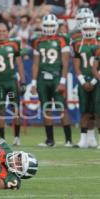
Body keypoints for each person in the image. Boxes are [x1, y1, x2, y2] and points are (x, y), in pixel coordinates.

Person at [30, 14, 72, 147]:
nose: (48, 28)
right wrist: (33, 82)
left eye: (51, 26)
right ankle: (50, 140)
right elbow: (36, 64)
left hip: (56, 77)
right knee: (46, 108)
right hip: (42, 78)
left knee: (61, 108)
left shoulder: (62, 39)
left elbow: (65, 63)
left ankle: (69, 140)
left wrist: (63, 81)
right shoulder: (38, 40)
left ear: (56, 27)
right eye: (46, 26)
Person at [0, 22, 26, 146]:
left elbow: (19, 63)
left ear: (7, 32)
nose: (2, 33)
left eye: (4, 31)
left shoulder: (14, 44)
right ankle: (2, 138)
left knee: (15, 109)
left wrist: (23, 81)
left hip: (12, 81)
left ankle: (17, 137)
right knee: (1, 110)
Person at [72, 17, 99, 148]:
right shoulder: (77, 43)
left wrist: (94, 81)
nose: (89, 31)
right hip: (84, 79)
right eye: (87, 28)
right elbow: (76, 65)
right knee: (85, 110)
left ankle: (93, 137)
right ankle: (83, 139)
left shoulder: (99, 43)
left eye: (92, 28)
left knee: (97, 111)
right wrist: (83, 81)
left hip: (97, 80)